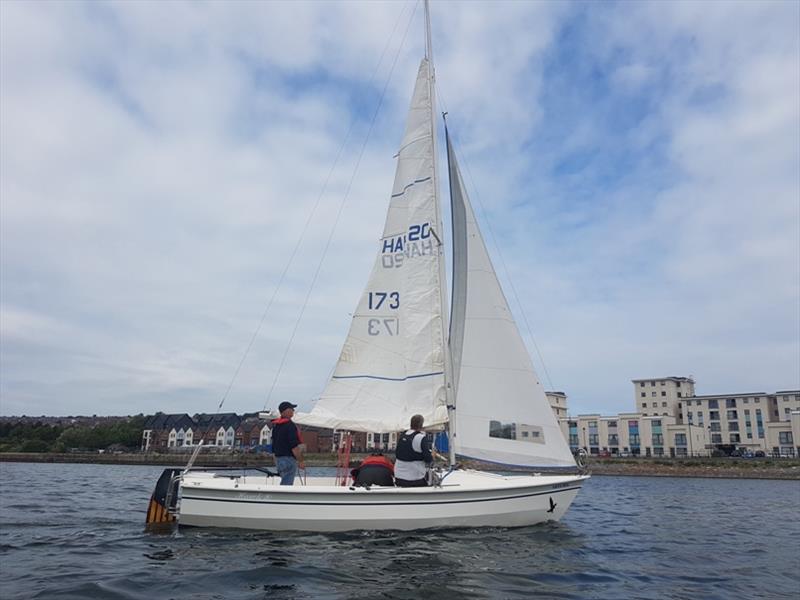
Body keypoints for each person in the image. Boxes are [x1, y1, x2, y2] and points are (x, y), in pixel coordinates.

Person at [394, 414, 433, 487]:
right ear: (421, 425)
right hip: (414, 479)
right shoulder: (420, 438)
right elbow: (428, 459)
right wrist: (432, 455)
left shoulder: (402, 435)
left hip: (398, 478)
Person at [271, 401, 304, 485]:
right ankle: (280, 497)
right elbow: (294, 446)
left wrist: (275, 460)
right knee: (287, 484)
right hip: (288, 459)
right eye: (292, 409)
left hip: (279, 459)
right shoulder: (290, 426)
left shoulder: (276, 426)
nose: (293, 410)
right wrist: (300, 461)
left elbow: (274, 445)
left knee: (284, 480)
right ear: (286, 411)